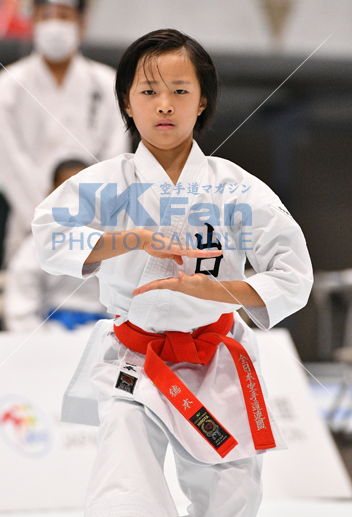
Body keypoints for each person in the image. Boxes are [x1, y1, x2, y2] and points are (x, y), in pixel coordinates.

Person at [32, 29, 313, 517]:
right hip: (134, 360)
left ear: (202, 101)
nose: (164, 105)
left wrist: (219, 290)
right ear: (127, 101)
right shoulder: (107, 182)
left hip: (215, 357)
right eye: (149, 91)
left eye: (180, 90)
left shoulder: (237, 188)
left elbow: (294, 274)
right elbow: (49, 236)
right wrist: (132, 239)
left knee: (233, 499)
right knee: (125, 495)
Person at [0, 0, 130, 264]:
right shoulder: (8, 86)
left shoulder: (107, 83)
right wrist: (48, 219)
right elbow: (10, 162)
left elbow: (115, 156)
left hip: (97, 229)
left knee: (95, 291)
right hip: (30, 228)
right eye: (46, 16)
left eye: (64, 17)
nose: (54, 25)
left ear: (82, 24)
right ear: (33, 23)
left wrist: (88, 220)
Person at [5, 159, 107, 333]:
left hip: (105, 331)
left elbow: (126, 300)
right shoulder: (34, 246)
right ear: (50, 196)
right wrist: (47, 342)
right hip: (51, 333)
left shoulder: (114, 241)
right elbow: (21, 313)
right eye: (68, 193)